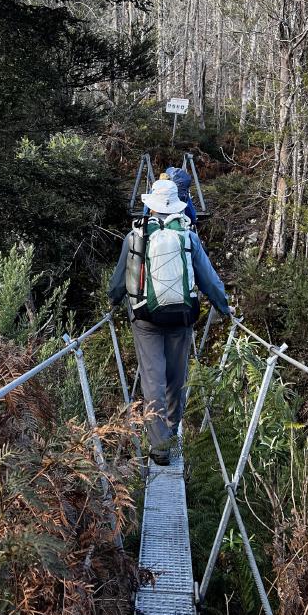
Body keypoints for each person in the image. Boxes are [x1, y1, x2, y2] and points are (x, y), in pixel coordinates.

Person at [108, 178, 230, 465]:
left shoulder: (136, 236)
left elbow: (119, 281)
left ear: (150, 205)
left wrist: (112, 303)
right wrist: (224, 308)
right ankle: (173, 433)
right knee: (176, 378)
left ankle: (160, 447)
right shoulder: (189, 236)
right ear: (178, 205)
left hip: (145, 318)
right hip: (181, 317)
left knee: (153, 379)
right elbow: (208, 279)